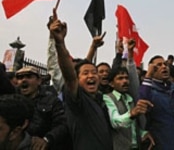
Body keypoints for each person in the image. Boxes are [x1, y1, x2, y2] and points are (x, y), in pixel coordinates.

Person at [49, 9, 113, 150]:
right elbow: (70, 76)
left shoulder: (99, 99)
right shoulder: (78, 100)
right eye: (86, 74)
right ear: (77, 80)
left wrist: (93, 47)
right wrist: (59, 43)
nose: (91, 76)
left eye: (94, 72)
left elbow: (85, 66)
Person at [139, 55, 174, 150]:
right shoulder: (150, 92)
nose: (164, 66)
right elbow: (143, 100)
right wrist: (148, 75)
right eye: (158, 65)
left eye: (165, 64)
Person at [15, 65, 71, 150]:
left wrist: (46, 139)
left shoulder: (52, 100)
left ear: (39, 81)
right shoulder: (12, 101)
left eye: (29, 76)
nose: (24, 80)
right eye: (20, 77)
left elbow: (62, 124)